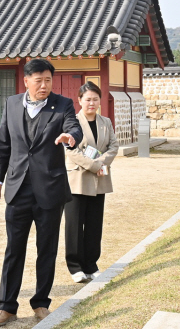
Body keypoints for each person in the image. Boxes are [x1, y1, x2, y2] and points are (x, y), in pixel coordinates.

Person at [0, 58, 83, 326]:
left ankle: (41, 303)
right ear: (26, 81)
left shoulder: (62, 104)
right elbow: (3, 145)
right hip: (18, 190)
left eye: (48, 80)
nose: (44, 85)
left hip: (50, 190)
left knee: (47, 249)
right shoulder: (12, 103)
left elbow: (72, 126)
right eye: (38, 80)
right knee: (13, 249)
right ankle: (6, 306)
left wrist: (71, 137)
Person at [64, 81, 118, 283]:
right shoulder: (72, 123)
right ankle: (75, 267)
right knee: (74, 225)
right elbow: (72, 151)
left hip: (100, 180)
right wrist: (96, 165)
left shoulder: (106, 122)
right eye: (88, 99)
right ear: (79, 101)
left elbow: (113, 146)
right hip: (77, 178)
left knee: (95, 224)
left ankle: (91, 264)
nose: (92, 103)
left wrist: (101, 162)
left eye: (95, 99)